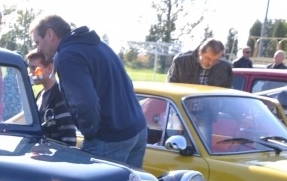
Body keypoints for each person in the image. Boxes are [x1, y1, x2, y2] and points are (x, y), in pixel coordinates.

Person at [30, 15, 147, 167]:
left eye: (38, 42)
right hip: (138, 128)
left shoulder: (67, 55)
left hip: (109, 136)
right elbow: (128, 83)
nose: (38, 49)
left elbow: (85, 103)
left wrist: (90, 133)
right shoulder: (98, 45)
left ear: (50, 35)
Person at [26, 50, 77, 145]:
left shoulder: (59, 95)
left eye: (34, 68)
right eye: (29, 69)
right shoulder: (40, 95)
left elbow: (69, 136)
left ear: (50, 68)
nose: (30, 73)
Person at [167, 38, 233, 88]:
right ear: (200, 52)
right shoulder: (180, 62)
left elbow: (226, 93)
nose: (211, 63)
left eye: (216, 60)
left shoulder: (225, 67)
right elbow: (171, 88)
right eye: (208, 58)